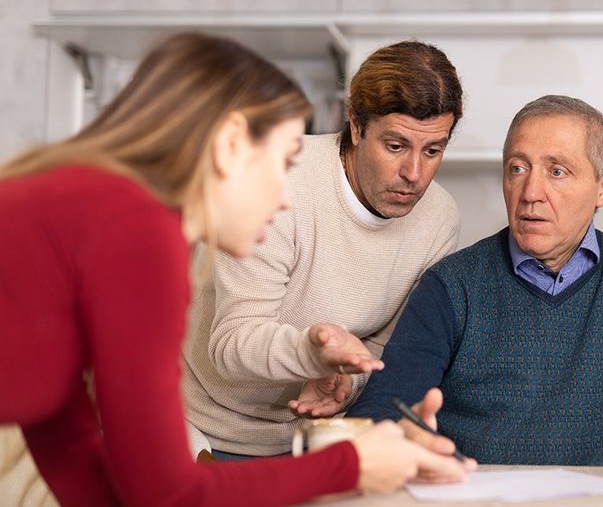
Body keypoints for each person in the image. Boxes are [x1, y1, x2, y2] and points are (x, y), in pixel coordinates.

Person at [0, 32, 469, 506]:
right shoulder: (138, 236)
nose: (285, 195)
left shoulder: (97, 215)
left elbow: (71, 450)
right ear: (228, 147)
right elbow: (170, 493)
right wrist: (352, 464)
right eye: (284, 161)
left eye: (432, 151)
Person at [349, 95, 603, 477]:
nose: (530, 194)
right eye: (517, 169)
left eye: (557, 171)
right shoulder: (451, 285)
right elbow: (381, 411)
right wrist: (402, 437)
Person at [181, 40, 464, 460]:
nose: (414, 174)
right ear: (355, 124)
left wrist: (348, 379)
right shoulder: (280, 183)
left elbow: (382, 347)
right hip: (196, 426)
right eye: (395, 146)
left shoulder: (438, 218)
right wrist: (312, 354)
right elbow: (231, 343)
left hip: (306, 441)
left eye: (433, 150)